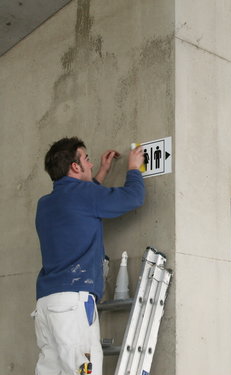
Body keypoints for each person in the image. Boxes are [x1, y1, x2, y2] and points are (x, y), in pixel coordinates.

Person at [32, 137, 145, 375]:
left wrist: (102, 172)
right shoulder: (83, 196)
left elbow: (80, 203)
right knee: (85, 371)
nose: (91, 164)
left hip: (46, 307)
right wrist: (134, 168)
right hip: (73, 307)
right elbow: (133, 197)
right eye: (86, 159)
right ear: (75, 166)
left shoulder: (46, 204)